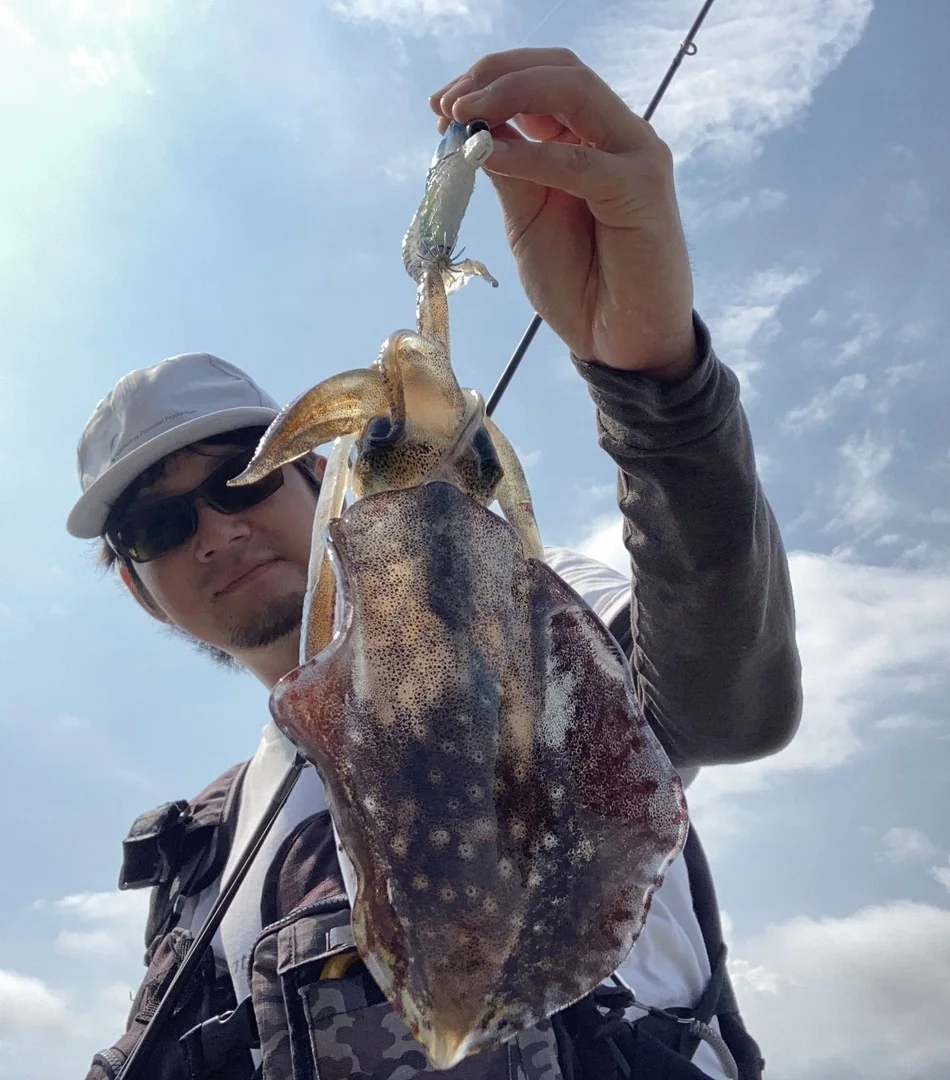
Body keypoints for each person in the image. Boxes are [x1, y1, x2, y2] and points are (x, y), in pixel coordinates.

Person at [69, 49, 801, 1080]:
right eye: (155, 526)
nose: (214, 531)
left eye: (238, 477)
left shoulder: (531, 615)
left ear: (322, 480)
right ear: (140, 590)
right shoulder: (202, 866)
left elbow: (727, 698)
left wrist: (654, 383)